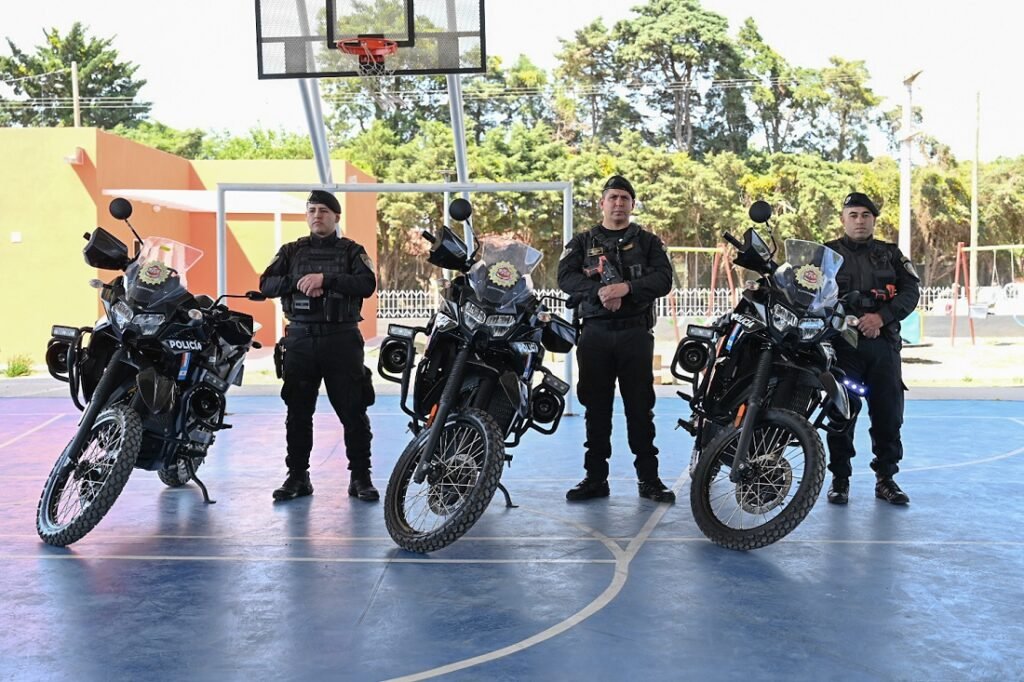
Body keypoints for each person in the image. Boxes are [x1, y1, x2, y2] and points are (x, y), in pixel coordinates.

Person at [557, 175, 675, 503]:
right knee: (596, 409)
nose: (619, 204)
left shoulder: (648, 242)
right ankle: (595, 479)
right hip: (595, 334)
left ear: (632, 205)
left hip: (634, 333)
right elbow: (565, 277)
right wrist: (600, 291)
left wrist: (627, 288)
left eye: (624, 198)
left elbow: (664, 279)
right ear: (602, 203)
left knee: (640, 408)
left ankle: (649, 480)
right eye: (613, 198)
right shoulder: (582, 242)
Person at [259, 190, 380, 502]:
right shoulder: (291, 251)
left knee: (353, 411)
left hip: (341, 340)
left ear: (336, 216)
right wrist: (302, 281)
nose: (317, 216)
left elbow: (367, 284)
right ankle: (297, 476)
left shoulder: (352, 251)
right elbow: (266, 284)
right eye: (312, 210)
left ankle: (360, 476)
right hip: (300, 340)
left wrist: (326, 279)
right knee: (298, 412)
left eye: (324, 210)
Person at [825, 192, 920, 505]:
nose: (860, 221)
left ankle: (886, 479)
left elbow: (910, 292)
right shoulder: (827, 255)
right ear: (843, 219)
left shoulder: (890, 254)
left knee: (888, 415)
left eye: (866, 215)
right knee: (841, 413)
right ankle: (840, 479)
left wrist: (881, 317)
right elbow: (808, 291)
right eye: (853, 215)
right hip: (842, 347)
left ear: (874, 220)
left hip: (883, 345)